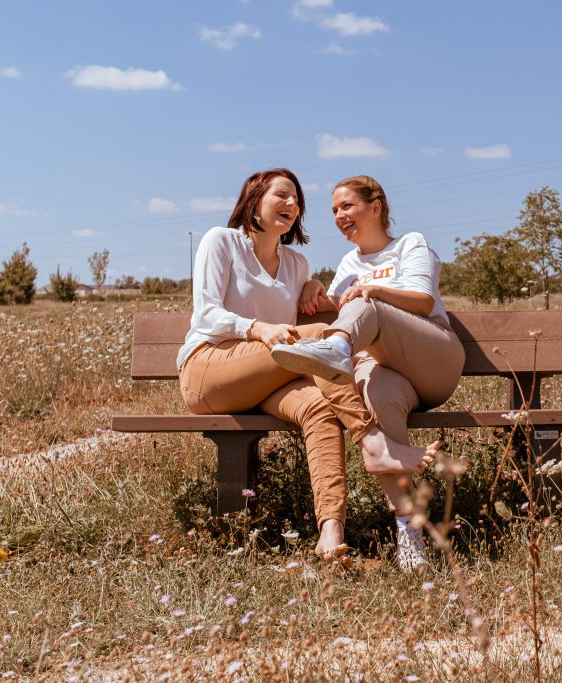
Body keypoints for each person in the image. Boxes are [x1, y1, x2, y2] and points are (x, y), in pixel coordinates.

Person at [177, 168, 438, 563]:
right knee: (318, 337)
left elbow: (320, 304)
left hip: (267, 380)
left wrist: (314, 288)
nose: (291, 204)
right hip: (210, 370)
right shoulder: (222, 242)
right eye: (281, 196)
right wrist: (257, 328)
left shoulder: (296, 264)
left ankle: (331, 533)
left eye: (296, 200)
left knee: (320, 408)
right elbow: (206, 315)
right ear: (254, 200)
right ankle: (372, 443)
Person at [271, 175, 465, 570]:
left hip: (433, 357)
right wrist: (312, 286)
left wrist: (372, 291)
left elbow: (424, 300)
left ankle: (337, 350)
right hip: (388, 373)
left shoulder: (409, 244)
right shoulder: (349, 263)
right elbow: (335, 305)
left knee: (367, 305)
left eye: (347, 206)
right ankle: (410, 537)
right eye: (334, 211)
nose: (339, 216)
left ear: (375, 207)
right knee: (375, 399)